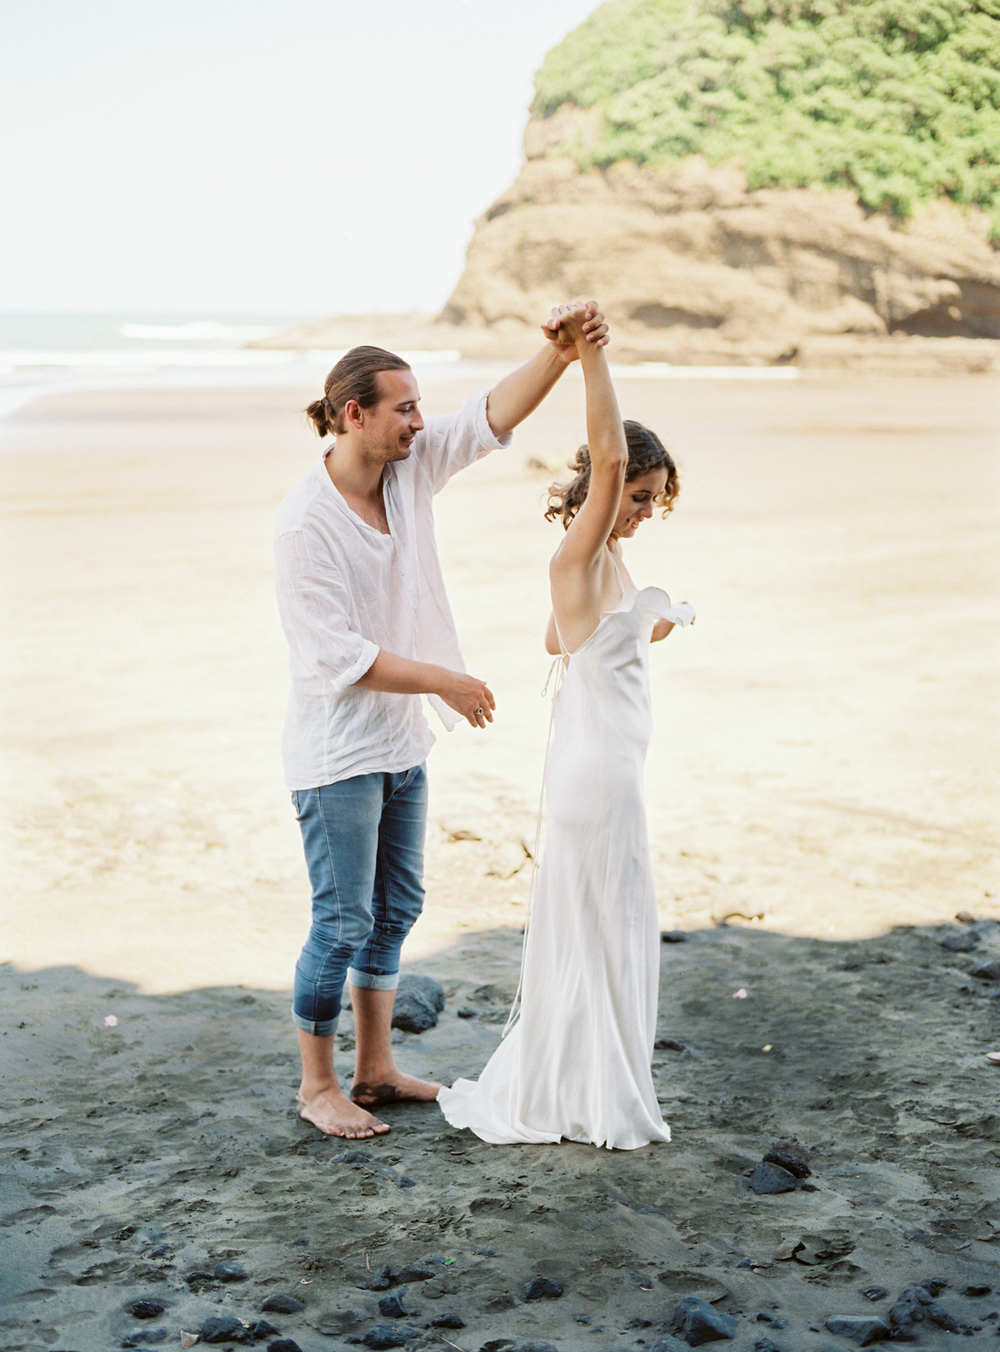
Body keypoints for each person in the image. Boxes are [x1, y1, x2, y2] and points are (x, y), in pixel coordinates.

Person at [274, 304, 609, 1139]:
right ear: (355, 414)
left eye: (421, 407)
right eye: (405, 408)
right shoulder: (304, 522)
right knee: (341, 919)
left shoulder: (409, 470)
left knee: (397, 909)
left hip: (401, 741)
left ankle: (376, 1067)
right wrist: (446, 681)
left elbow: (489, 418)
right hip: (336, 752)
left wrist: (560, 357)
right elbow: (336, 656)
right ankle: (319, 1085)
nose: (421, 423)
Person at [437, 302, 694, 1150]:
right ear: (608, 488)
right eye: (642, 496)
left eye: (654, 500)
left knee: (602, 935)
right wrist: (588, 359)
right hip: (599, 777)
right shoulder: (579, 554)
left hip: (603, 767)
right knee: (605, 933)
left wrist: (633, 625)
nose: (646, 510)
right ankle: (592, 1096)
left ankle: (583, 1087)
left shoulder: (597, 566)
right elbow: (613, 453)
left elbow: (560, 639)